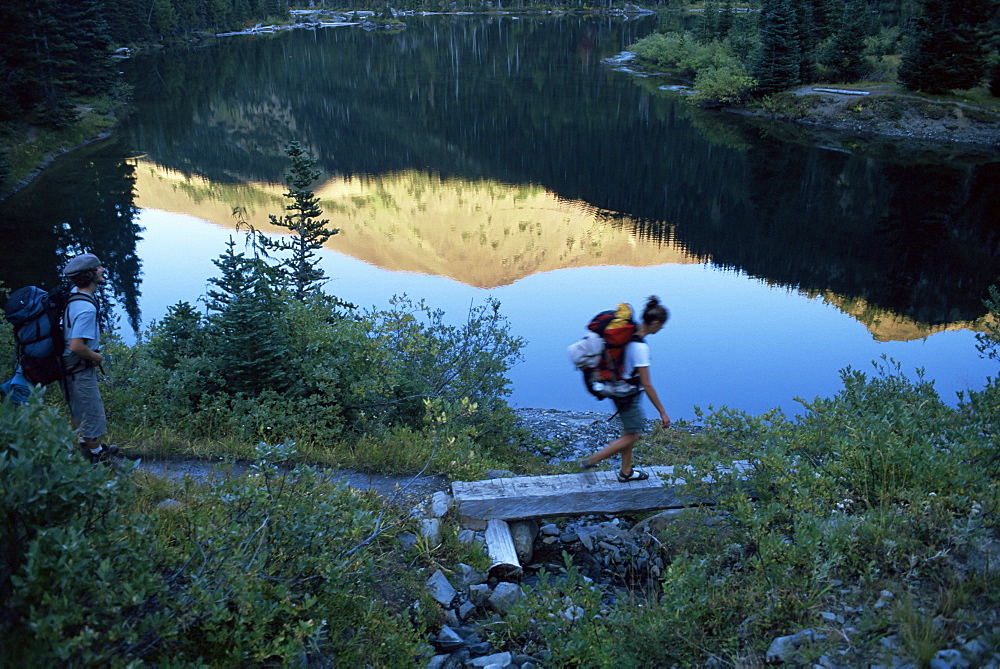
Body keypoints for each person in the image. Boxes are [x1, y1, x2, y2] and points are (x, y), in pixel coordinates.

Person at [580, 295, 671, 482]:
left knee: (628, 431)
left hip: (616, 387)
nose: (662, 328)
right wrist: (662, 411)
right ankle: (591, 461)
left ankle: (626, 472)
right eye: (661, 325)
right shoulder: (640, 348)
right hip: (626, 393)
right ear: (655, 323)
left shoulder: (630, 334)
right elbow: (647, 384)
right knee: (633, 434)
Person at [61, 253, 120, 465]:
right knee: (91, 410)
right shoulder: (86, 308)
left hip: (68, 366)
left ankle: (84, 444)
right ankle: (97, 456)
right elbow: (76, 346)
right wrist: (97, 356)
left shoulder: (75, 295)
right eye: (99, 268)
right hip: (78, 367)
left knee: (79, 407)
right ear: (90, 274)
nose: (103, 270)